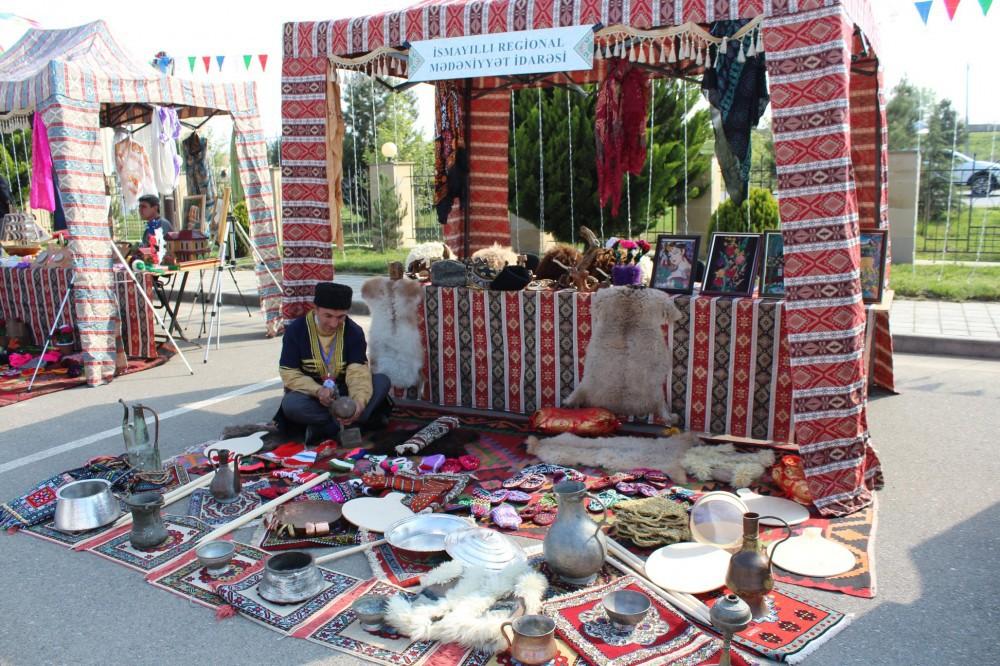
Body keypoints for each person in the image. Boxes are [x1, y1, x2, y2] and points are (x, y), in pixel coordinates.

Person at [276, 282, 391, 446]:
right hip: (314, 395)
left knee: (381, 381)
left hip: (345, 393)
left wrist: (358, 404)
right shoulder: (297, 330)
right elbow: (289, 373)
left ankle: (327, 428)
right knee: (291, 405)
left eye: (340, 317)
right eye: (328, 316)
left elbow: (358, 372)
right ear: (315, 309)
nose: (334, 324)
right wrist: (317, 391)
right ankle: (355, 424)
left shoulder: (353, 331)